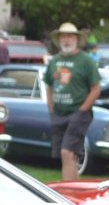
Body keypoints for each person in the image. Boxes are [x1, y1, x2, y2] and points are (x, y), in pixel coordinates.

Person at [42, 22, 100, 181]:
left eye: (70, 36)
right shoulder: (54, 61)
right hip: (58, 113)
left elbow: (96, 88)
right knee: (70, 156)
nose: (66, 40)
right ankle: (75, 192)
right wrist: (51, 108)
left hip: (78, 113)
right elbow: (49, 85)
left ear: (76, 39)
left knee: (66, 152)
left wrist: (82, 110)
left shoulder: (86, 61)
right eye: (63, 36)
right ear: (59, 40)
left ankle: (67, 194)